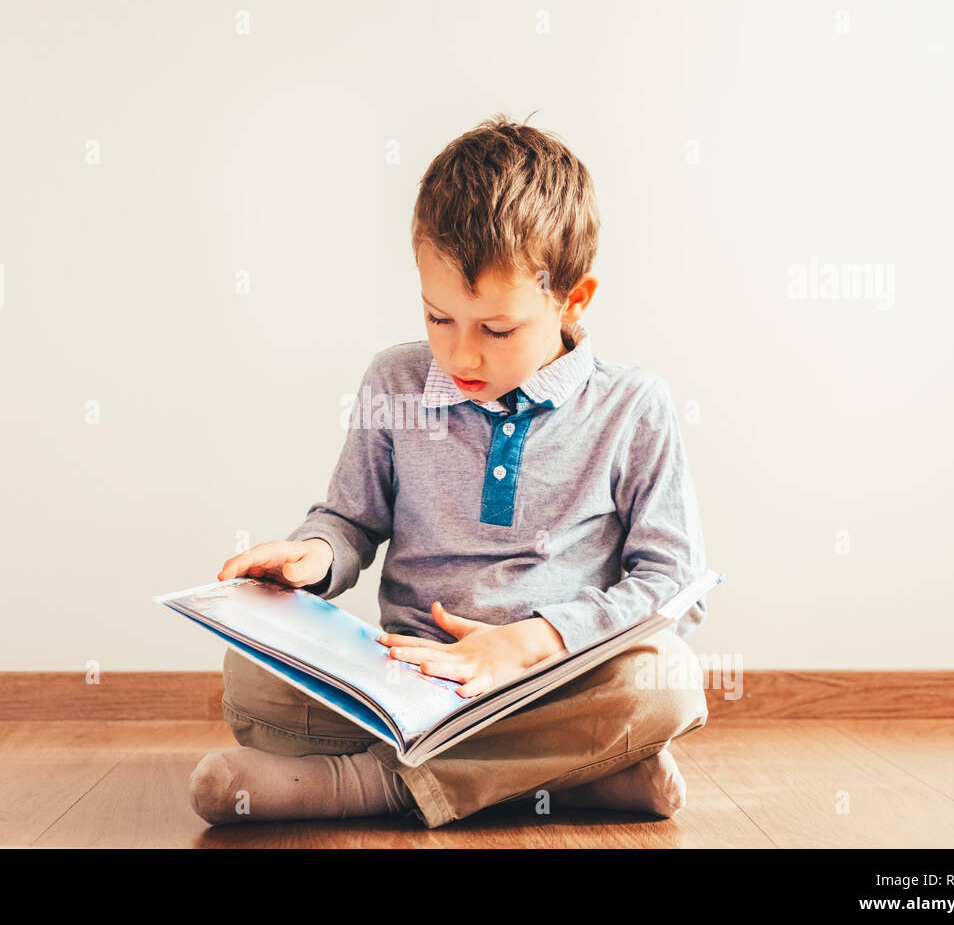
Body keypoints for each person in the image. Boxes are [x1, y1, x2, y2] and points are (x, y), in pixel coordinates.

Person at [189, 113, 711, 829]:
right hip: (408, 674)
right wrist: (312, 556)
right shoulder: (396, 381)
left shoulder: (632, 405)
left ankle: (375, 786)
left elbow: (673, 585)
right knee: (251, 680)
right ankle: (578, 777)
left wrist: (529, 642)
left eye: (497, 330)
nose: (462, 358)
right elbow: (351, 521)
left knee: (670, 679)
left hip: (549, 681)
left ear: (572, 300)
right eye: (440, 318)